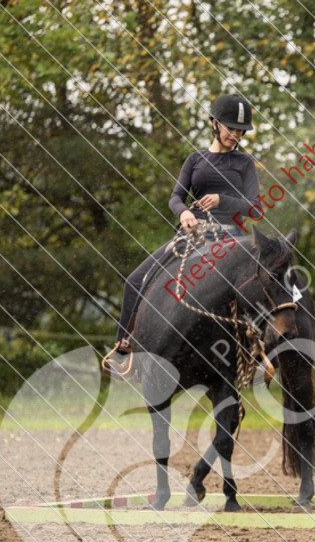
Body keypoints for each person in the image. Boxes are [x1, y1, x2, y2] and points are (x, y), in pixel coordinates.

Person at [111, 94, 262, 356]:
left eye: (240, 130)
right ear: (214, 124)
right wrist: (183, 214)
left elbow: (256, 208)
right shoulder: (195, 159)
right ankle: (124, 344)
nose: (235, 134)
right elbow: (176, 197)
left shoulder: (245, 163)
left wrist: (222, 200)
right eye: (230, 127)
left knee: (261, 285)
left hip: (231, 238)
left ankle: (259, 348)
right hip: (192, 235)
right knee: (135, 280)